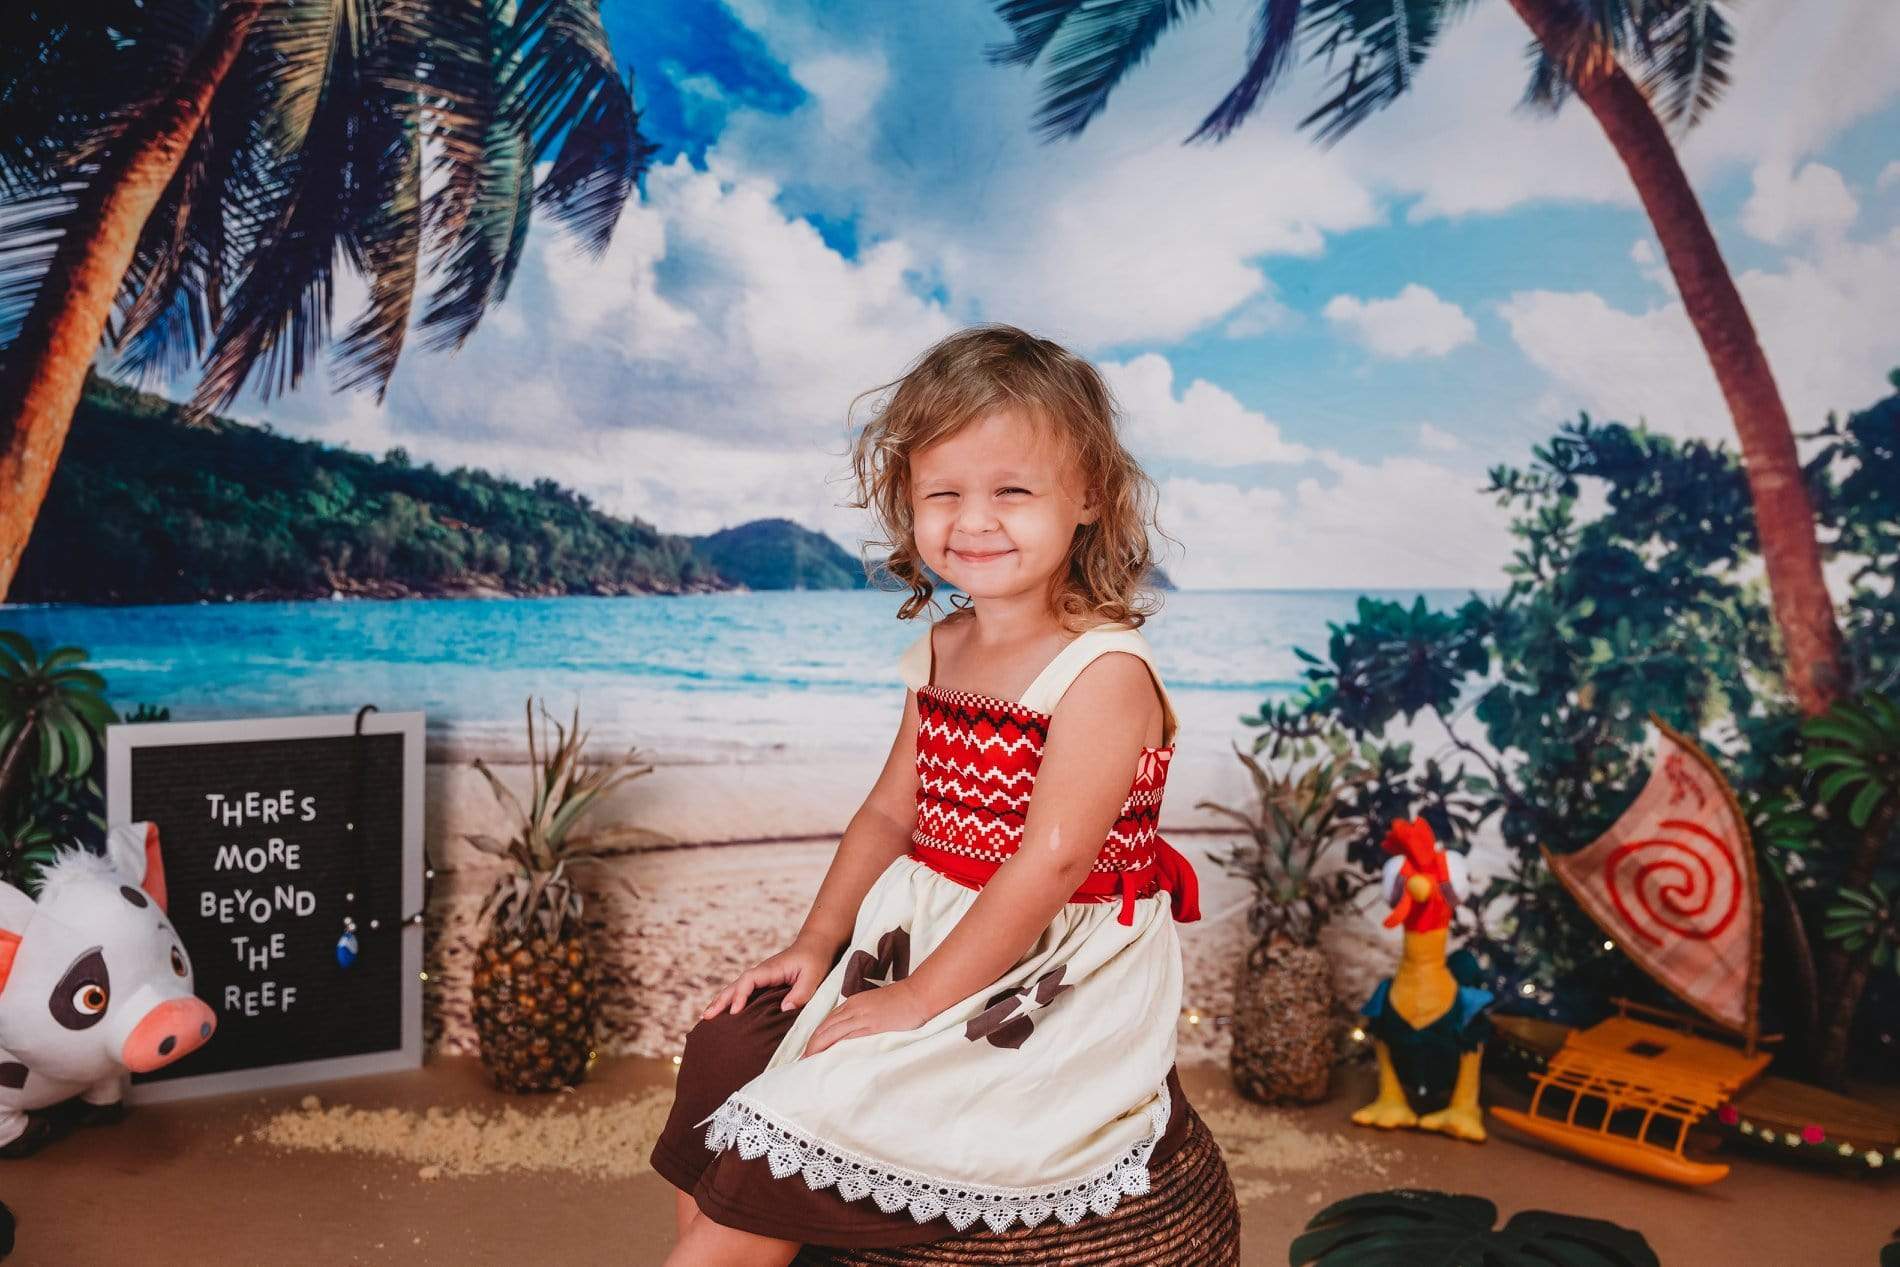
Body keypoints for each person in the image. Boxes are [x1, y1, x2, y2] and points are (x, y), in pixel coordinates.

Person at [650, 325, 1205, 1266]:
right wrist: (815, 944)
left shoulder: (1103, 671)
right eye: (942, 493)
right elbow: (887, 814)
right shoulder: (946, 648)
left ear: (1090, 499)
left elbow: (1053, 861)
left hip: (1041, 962)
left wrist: (916, 1001)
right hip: (920, 928)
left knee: (830, 1090)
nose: (973, 520)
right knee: (724, 1054)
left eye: (1012, 491)